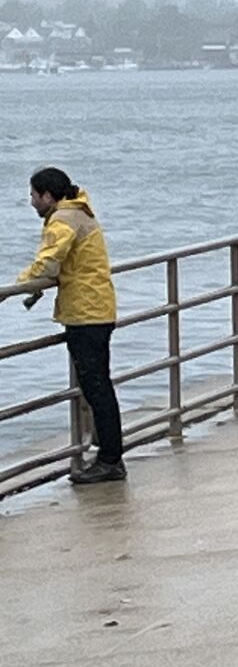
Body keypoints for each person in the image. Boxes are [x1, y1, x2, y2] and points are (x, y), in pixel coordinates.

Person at [17, 167, 125, 484]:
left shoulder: (63, 220)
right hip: (96, 308)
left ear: (48, 196)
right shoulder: (79, 211)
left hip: (86, 313)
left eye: (34, 196)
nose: (32, 203)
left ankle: (110, 459)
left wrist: (21, 285)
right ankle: (108, 453)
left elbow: (48, 261)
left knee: (97, 387)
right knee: (98, 385)